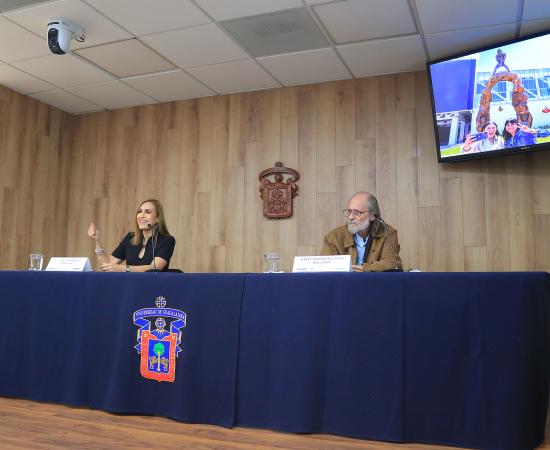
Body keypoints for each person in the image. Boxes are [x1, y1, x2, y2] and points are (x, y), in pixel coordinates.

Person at [320, 191, 402, 272]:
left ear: (372, 215)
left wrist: (367, 269)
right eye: (349, 212)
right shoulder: (333, 237)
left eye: (357, 213)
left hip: (374, 281)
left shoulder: (388, 233)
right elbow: (324, 267)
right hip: (344, 281)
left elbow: (393, 263)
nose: (351, 217)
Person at [88, 199, 175, 272]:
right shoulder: (130, 238)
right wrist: (97, 240)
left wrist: (123, 268)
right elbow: (108, 264)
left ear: (158, 219)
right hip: (130, 285)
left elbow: (154, 268)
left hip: (153, 285)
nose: (142, 215)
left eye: (147, 212)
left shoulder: (167, 241)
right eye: (139, 212)